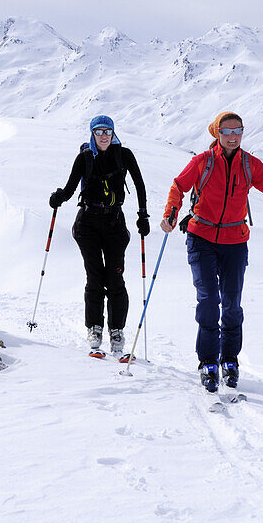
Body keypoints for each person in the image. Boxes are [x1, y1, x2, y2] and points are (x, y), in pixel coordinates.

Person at [160, 111, 263, 392]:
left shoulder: (249, 164)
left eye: (238, 131)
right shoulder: (203, 162)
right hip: (202, 238)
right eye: (227, 131)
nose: (233, 136)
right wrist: (171, 213)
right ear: (217, 133)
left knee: (232, 303)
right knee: (209, 300)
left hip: (235, 240)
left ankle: (230, 360)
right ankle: (208, 361)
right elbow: (179, 186)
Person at [50, 115, 149, 359]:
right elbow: (71, 188)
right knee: (95, 277)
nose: (104, 135)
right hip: (88, 223)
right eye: (98, 131)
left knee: (115, 276)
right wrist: (59, 197)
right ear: (92, 134)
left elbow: (139, 184)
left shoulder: (124, 155)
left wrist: (143, 214)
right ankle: (94, 329)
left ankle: (116, 331)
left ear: (113, 133)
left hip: (115, 222)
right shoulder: (84, 158)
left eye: (107, 131)